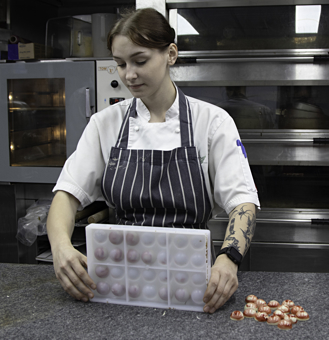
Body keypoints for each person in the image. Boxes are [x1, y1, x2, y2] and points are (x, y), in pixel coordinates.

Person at [46, 8, 259, 314]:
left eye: (140, 61)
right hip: (120, 283)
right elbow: (66, 195)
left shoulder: (211, 122)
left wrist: (229, 259)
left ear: (171, 54)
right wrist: (61, 248)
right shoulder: (105, 124)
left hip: (193, 285)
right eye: (120, 64)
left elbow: (242, 202)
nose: (129, 74)